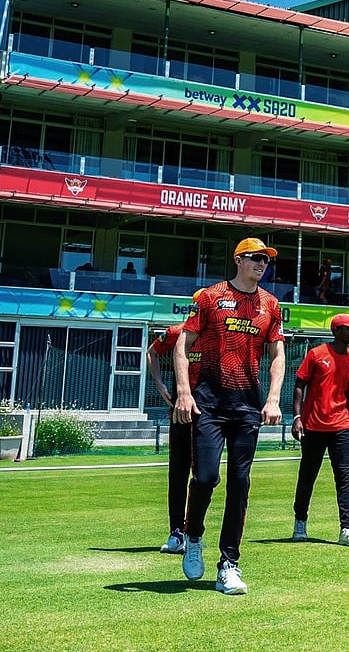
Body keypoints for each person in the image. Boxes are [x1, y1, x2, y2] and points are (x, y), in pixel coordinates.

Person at [174, 238, 285, 596]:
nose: (261, 264)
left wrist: (272, 399)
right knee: (205, 477)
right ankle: (192, 535)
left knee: (241, 481)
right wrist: (184, 393)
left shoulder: (270, 304)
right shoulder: (209, 297)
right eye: (255, 258)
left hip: (247, 407)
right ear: (238, 260)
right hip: (209, 403)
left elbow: (278, 353)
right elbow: (182, 345)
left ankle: (229, 564)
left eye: (266, 260)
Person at [290, 313, 349, 547]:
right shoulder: (316, 354)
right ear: (336, 331)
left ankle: (347, 528)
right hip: (313, 426)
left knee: (344, 478)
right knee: (307, 476)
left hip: (340, 427)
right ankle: (300, 522)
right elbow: (300, 384)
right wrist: (297, 417)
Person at [144, 292, 203, 555]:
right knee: (178, 473)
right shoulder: (176, 332)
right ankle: (176, 532)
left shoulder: (221, 339)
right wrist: (161, 387)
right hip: (180, 412)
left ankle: (193, 531)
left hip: (209, 413)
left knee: (204, 476)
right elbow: (152, 353)